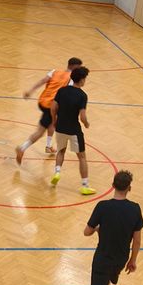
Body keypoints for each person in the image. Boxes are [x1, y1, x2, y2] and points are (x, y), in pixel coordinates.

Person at [83, 170, 143, 285]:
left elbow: (86, 231)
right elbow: (137, 240)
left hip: (103, 257)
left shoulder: (102, 206)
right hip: (120, 258)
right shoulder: (135, 208)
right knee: (107, 284)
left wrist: (97, 228)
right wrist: (132, 261)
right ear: (129, 188)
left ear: (113, 185)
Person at [15, 57, 83, 164]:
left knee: (53, 122)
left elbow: (42, 81)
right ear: (74, 67)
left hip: (42, 101)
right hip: (51, 106)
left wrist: (30, 91)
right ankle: (22, 148)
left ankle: (48, 146)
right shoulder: (71, 80)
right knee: (40, 131)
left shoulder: (55, 72)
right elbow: (67, 95)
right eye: (79, 68)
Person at [50, 66, 94, 195]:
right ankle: (85, 186)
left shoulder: (62, 91)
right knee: (82, 157)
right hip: (74, 130)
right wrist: (86, 124)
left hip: (60, 127)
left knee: (60, 151)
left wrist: (54, 120)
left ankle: (57, 172)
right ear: (81, 80)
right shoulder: (82, 96)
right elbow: (82, 116)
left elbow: (53, 107)